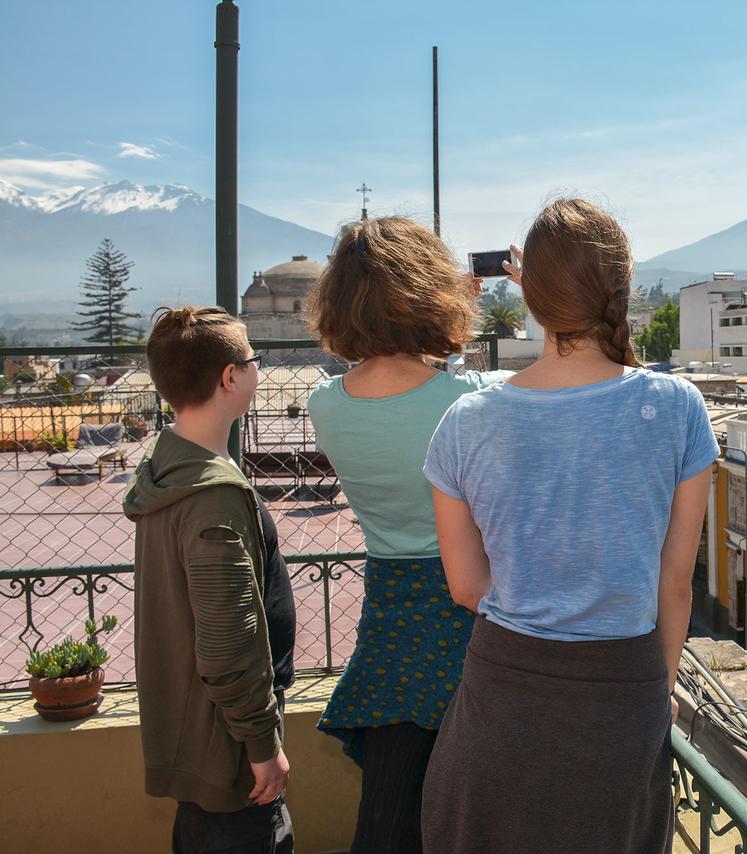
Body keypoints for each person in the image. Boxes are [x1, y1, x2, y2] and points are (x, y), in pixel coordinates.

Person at [420, 199, 719, 853]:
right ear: (624, 287)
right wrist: (655, 694)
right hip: (624, 701)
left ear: (525, 288)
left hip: (502, 708)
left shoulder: (466, 422)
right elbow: (674, 584)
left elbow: (467, 587)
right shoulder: (677, 408)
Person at [306, 216, 506, 854]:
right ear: (432, 295)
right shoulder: (472, 398)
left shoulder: (325, 404)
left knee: (391, 804)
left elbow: (401, 392)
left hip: (391, 612)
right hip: (473, 606)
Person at [123, 306, 296, 853]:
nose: (255, 370)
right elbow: (226, 641)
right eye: (253, 361)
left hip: (194, 734)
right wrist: (262, 742)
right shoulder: (213, 497)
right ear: (229, 377)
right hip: (227, 749)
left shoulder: (167, 464)